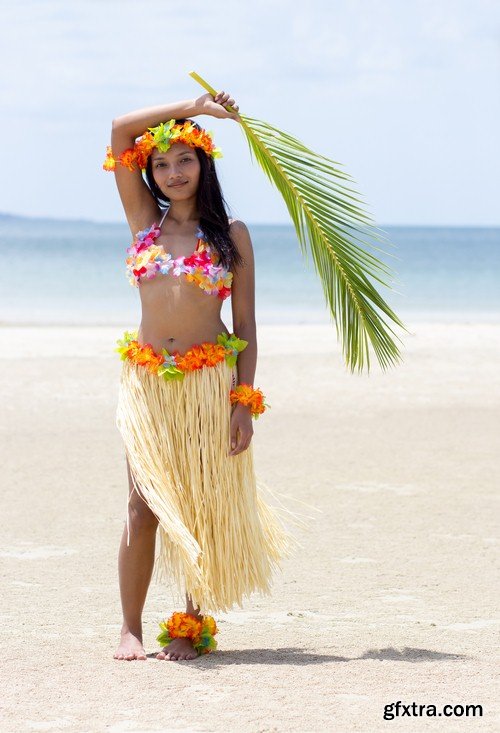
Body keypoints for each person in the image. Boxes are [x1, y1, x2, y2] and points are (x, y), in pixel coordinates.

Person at [104, 90, 299, 662]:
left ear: (204, 162)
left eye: (184, 159)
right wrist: (192, 105)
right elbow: (119, 129)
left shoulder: (231, 235)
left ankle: (190, 626)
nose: (172, 173)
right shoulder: (143, 220)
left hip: (208, 386)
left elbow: (246, 323)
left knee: (200, 502)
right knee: (142, 506)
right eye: (161, 164)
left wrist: (244, 403)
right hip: (147, 385)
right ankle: (131, 628)